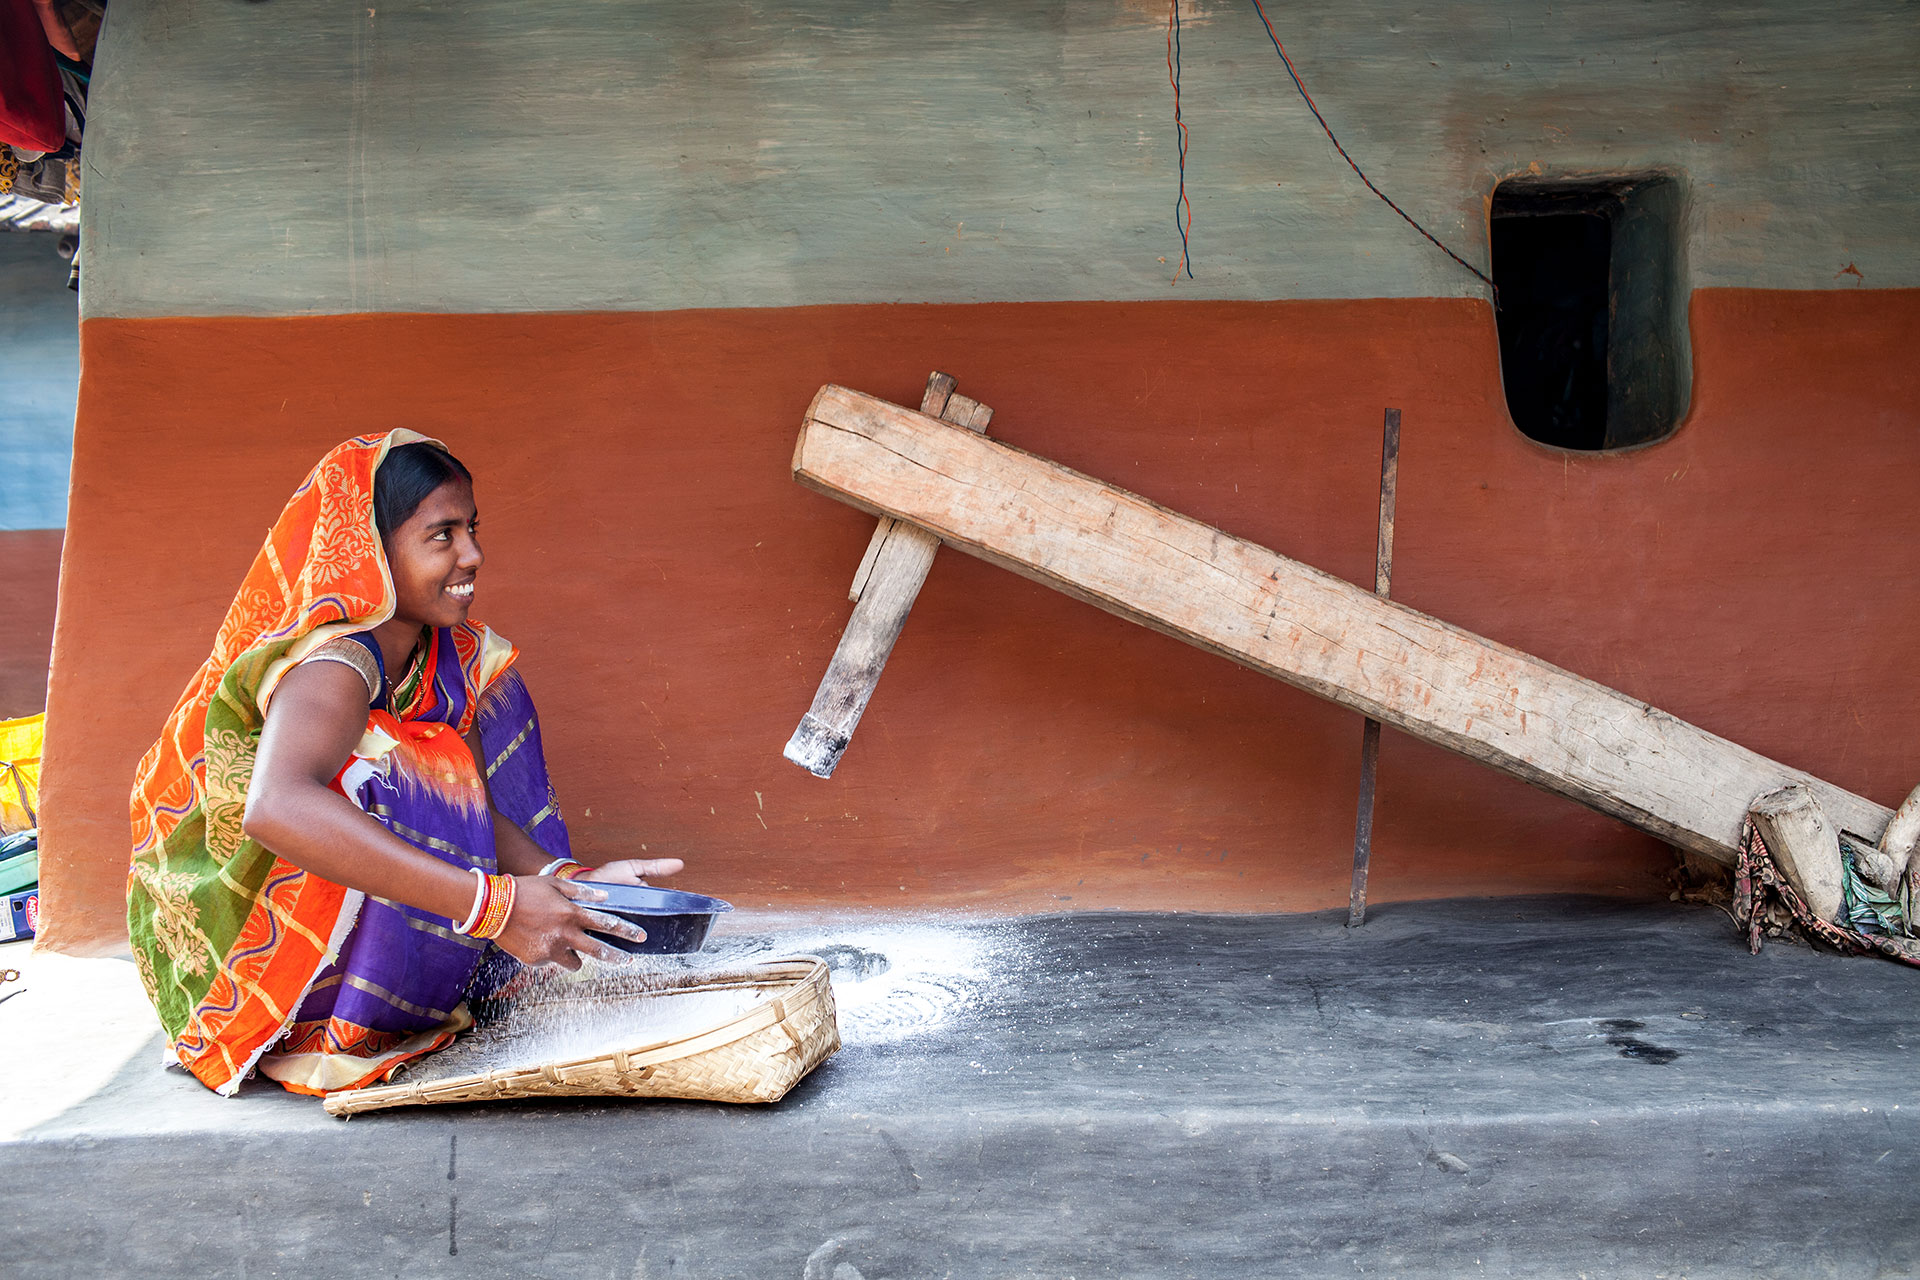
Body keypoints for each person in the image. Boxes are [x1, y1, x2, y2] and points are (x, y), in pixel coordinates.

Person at [127, 431, 681, 1096]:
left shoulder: (443, 656)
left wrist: (574, 885)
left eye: (472, 529)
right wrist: (495, 909)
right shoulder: (335, 661)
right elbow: (275, 807)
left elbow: (469, 808)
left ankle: (394, 997)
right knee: (397, 766)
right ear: (372, 553)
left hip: (330, 889)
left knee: (464, 731)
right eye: (441, 535)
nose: (472, 555)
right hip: (238, 934)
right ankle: (325, 1013)